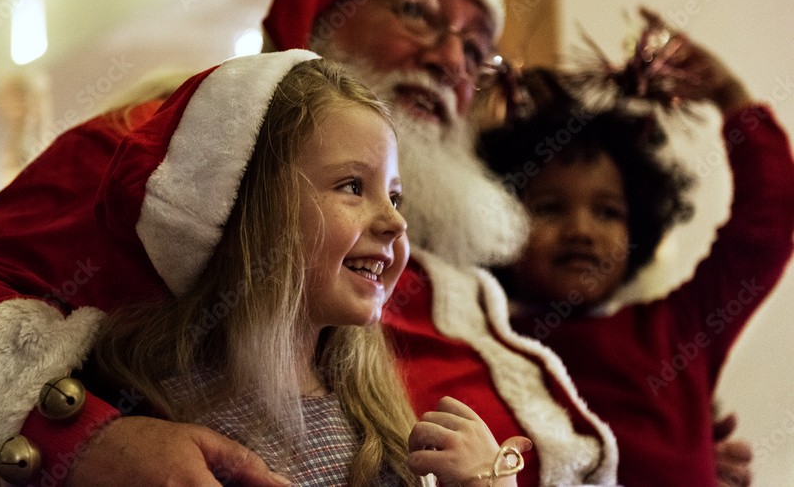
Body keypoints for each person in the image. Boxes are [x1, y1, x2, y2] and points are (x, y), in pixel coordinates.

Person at [0, 0, 736, 487]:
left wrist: (685, 453)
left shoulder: (458, 271)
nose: (449, 61)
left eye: (476, 48)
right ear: (320, 10)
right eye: (418, 12)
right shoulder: (160, 155)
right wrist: (76, 438)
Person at [87, 50, 531, 486]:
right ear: (249, 211)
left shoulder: (372, 414)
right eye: (353, 186)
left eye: (395, 197)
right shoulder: (162, 423)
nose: (396, 221)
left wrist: (487, 482)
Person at [475, 34, 794, 486]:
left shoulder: (679, 332)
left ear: (638, 228)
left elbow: (765, 229)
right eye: (549, 208)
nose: (581, 231)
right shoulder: (477, 345)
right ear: (499, 221)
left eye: (608, 211)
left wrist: (730, 97)